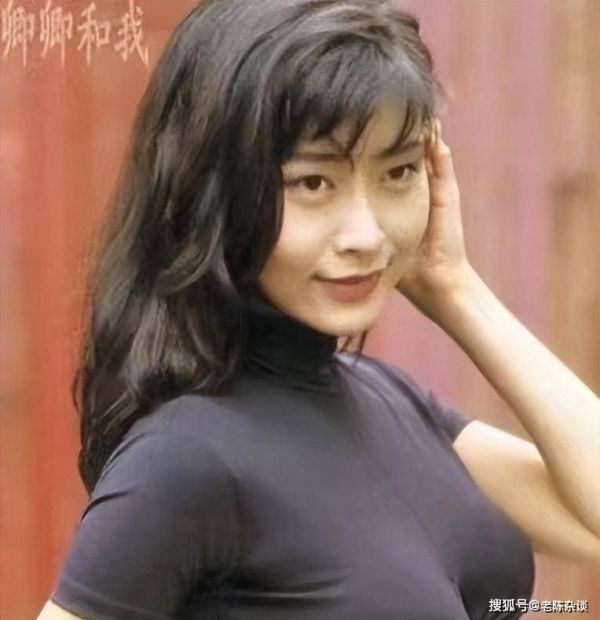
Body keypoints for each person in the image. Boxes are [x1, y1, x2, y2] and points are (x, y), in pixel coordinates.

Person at [39, 0, 600, 618]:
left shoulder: (388, 400)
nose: (366, 233)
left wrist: (456, 289)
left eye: (398, 172)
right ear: (213, 192)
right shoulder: (185, 458)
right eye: (313, 182)